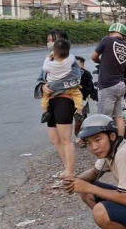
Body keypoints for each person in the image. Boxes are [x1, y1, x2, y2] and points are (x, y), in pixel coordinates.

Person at [36, 29, 82, 181]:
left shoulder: (70, 61)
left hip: (64, 100)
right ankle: (66, 167)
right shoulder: (49, 60)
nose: (49, 42)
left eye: (52, 39)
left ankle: (70, 171)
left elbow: (77, 78)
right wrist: (43, 86)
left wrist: (53, 86)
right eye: (48, 39)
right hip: (50, 101)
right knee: (54, 138)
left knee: (65, 139)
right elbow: (41, 78)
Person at [91, 23, 126, 136]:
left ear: (111, 32)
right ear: (123, 35)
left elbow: (93, 57)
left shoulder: (107, 40)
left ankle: (107, 144)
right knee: (119, 116)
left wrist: (100, 62)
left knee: (103, 118)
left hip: (108, 85)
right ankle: (120, 141)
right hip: (120, 85)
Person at [40, 38, 84, 124]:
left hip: (53, 86)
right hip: (69, 87)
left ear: (54, 53)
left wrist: (49, 57)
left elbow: (44, 67)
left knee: (45, 96)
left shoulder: (49, 65)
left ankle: (45, 112)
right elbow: (71, 56)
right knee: (78, 95)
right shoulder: (69, 60)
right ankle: (79, 112)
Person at [73, 55, 96, 145]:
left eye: (76, 63)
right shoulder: (73, 73)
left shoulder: (86, 74)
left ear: (81, 63)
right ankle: (79, 137)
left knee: (82, 118)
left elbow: (90, 87)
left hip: (83, 99)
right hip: (74, 99)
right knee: (79, 118)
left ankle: (82, 137)